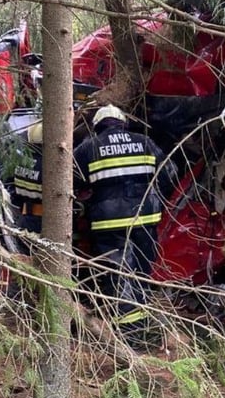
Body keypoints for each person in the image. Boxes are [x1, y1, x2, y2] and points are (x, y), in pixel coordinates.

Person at [73, 105, 175, 350]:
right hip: (145, 220)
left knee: (117, 278)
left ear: (98, 126)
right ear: (123, 123)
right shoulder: (145, 142)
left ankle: (131, 336)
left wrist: (89, 197)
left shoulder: (89, 147)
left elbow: (72, 181)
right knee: (141, 274)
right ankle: (139, 330)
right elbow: (169, 175)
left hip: (108, 224)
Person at [8, 121, 45, 245]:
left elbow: (14, 194)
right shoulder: (49, 166)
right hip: (44, 224)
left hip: (24, 220)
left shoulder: (20, 162)